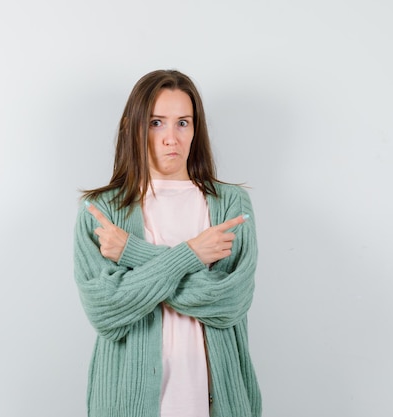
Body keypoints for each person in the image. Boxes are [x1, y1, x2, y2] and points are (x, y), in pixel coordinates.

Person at [74, 69, 261, 417]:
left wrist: (133, 253)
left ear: (196, 129)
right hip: (124, 404)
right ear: (134, 126)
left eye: (183, 123)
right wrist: (192, 254)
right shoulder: (101, 211)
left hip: (217, 402)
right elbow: (106, 310)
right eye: (156, 122)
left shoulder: (231, 204)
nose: (170, 138)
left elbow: (230, 301)